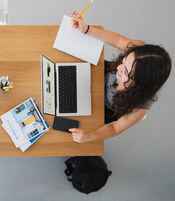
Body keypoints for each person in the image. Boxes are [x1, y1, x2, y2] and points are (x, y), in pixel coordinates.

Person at [68, 10, 172, 143]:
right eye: (124, 60)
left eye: (126, 72)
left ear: (139, 84)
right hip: (100, 72)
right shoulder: (140, 52)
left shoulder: (141, 107)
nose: (118, 68)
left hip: (102, 108)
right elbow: (118, 41)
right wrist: (87, 29)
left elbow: (114, 129)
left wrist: (87, 136)